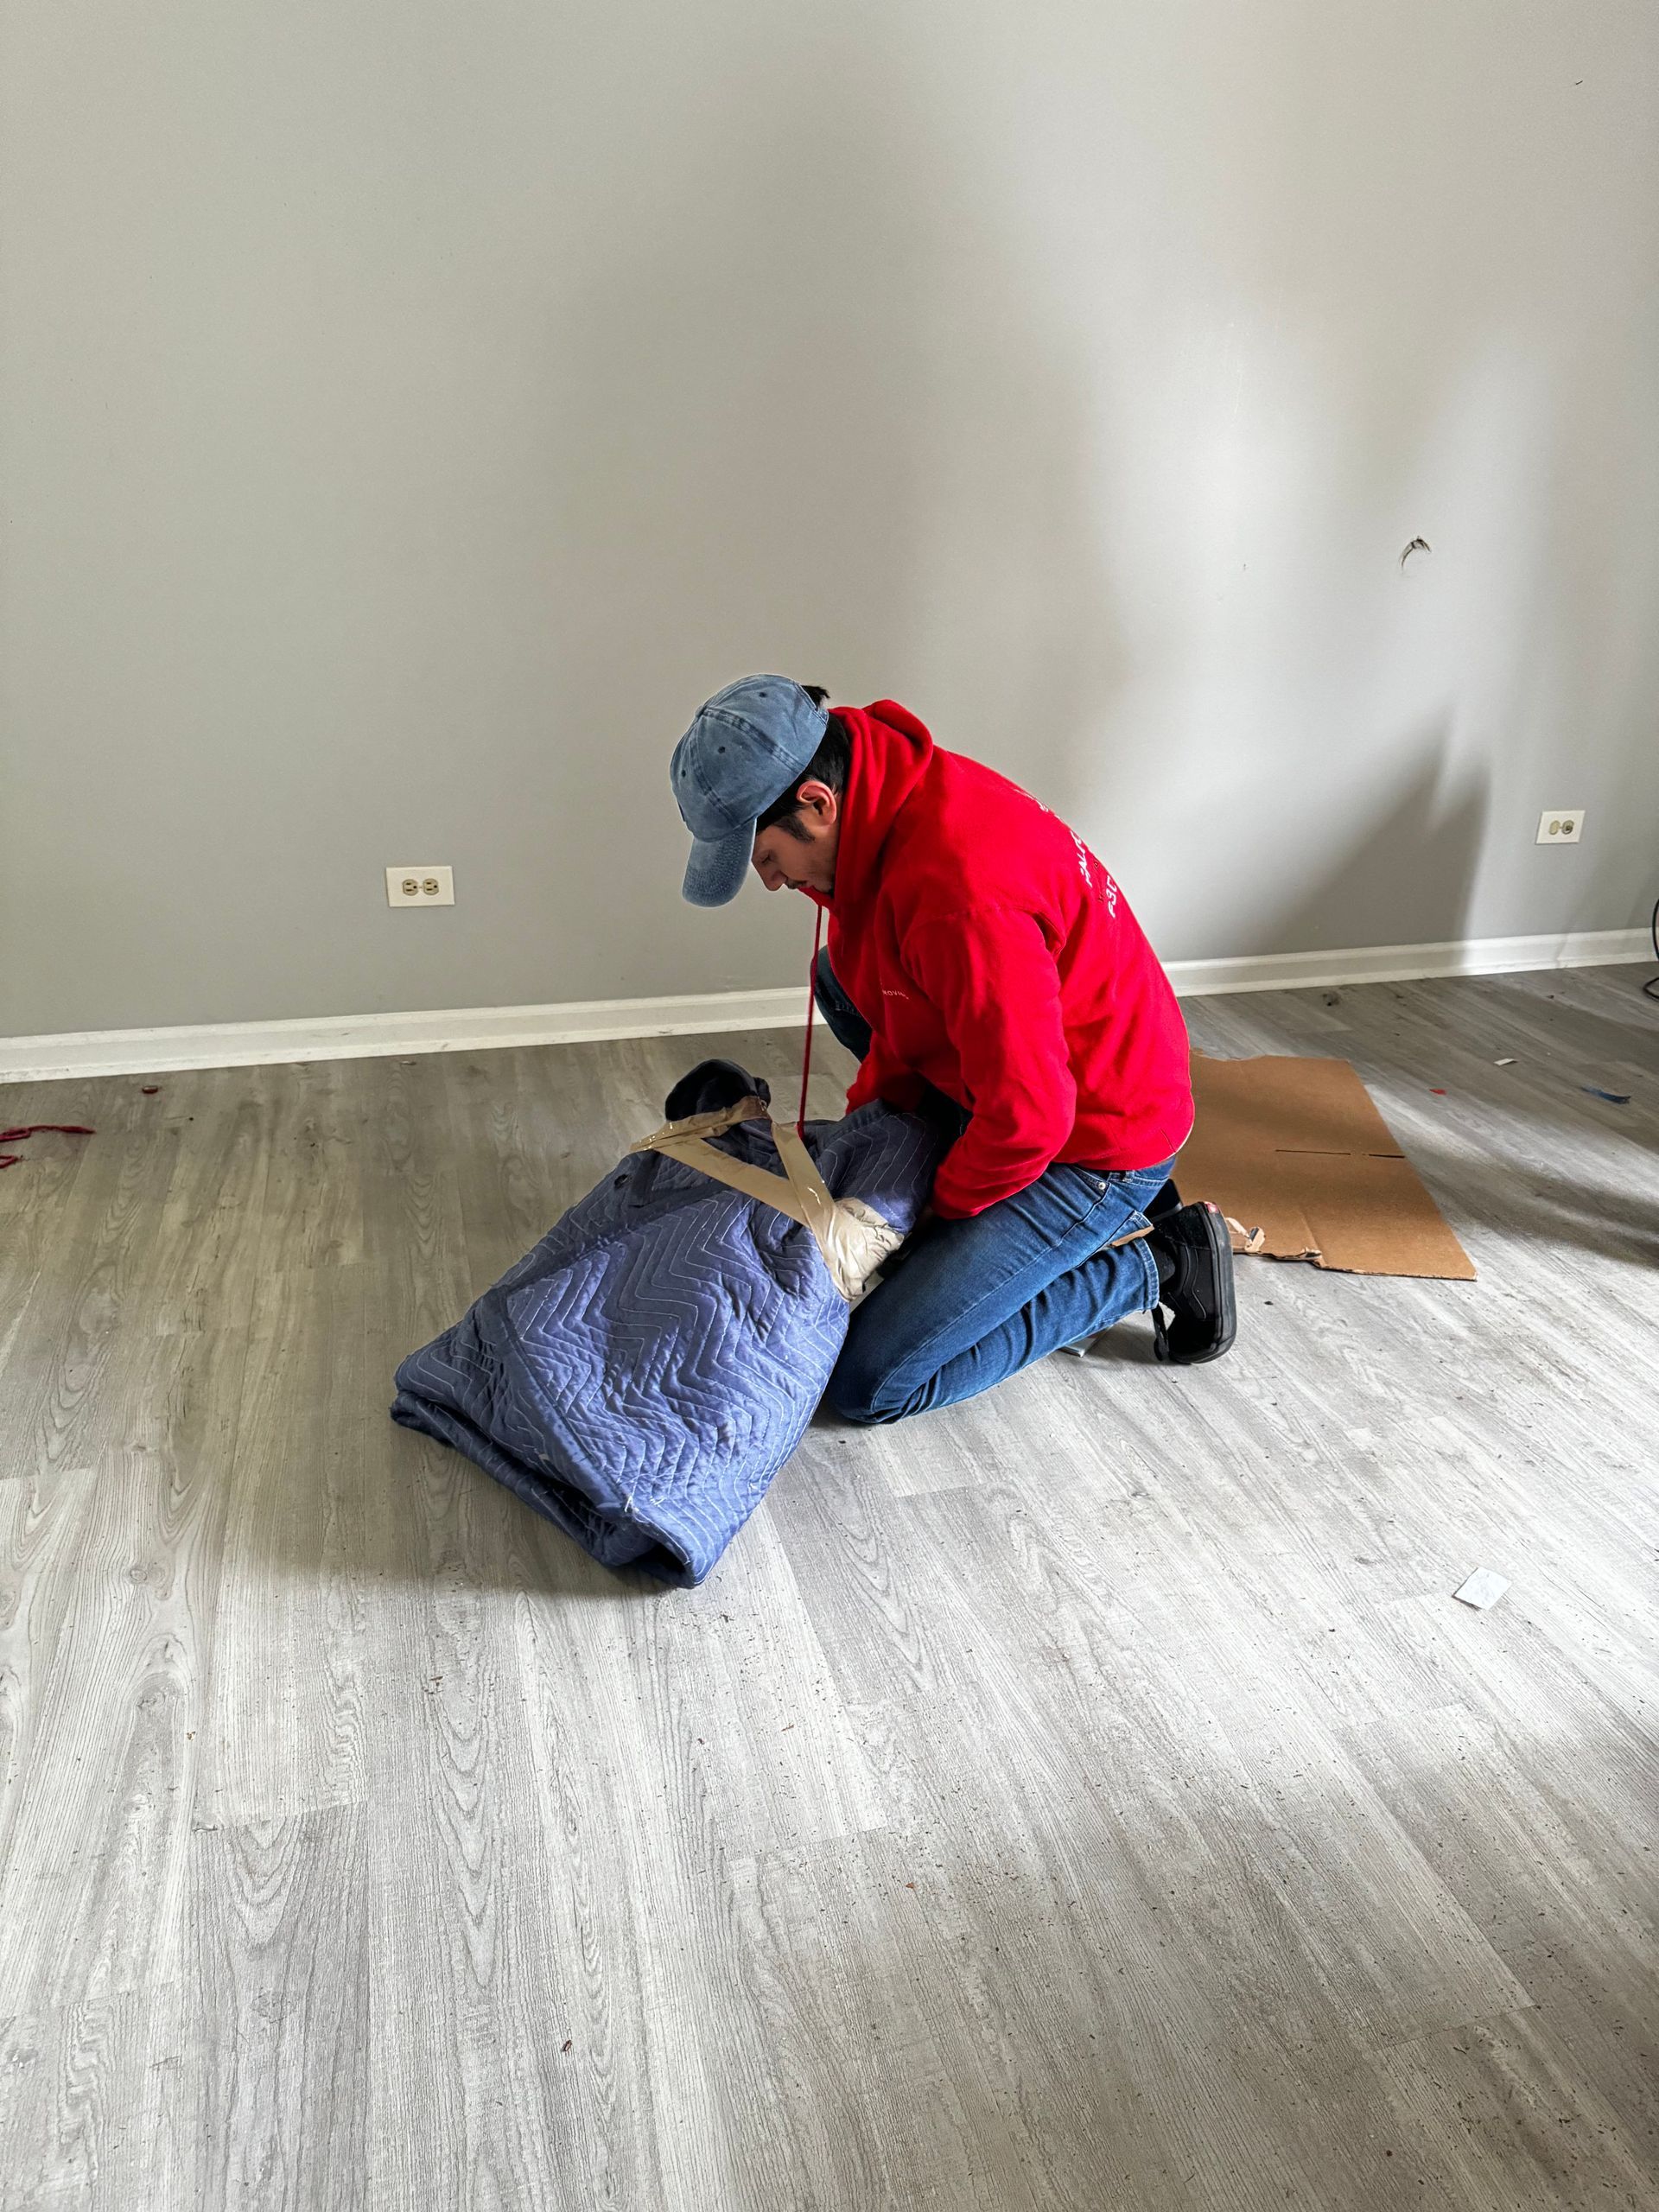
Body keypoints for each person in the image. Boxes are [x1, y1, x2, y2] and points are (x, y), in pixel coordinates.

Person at [670, 674, 1235, 1425]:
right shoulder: (879, 785)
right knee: (838, 975)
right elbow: (898, 1006)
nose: (770, 881)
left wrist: (929, 1216)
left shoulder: (957, 894)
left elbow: (1031, 1117)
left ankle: (1158, 1260)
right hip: (1032, 1071)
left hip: (1096, 1138)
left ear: (816, 803)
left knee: (870, 1382)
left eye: (764, 855)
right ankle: (960, 1179)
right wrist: (873, 1155)